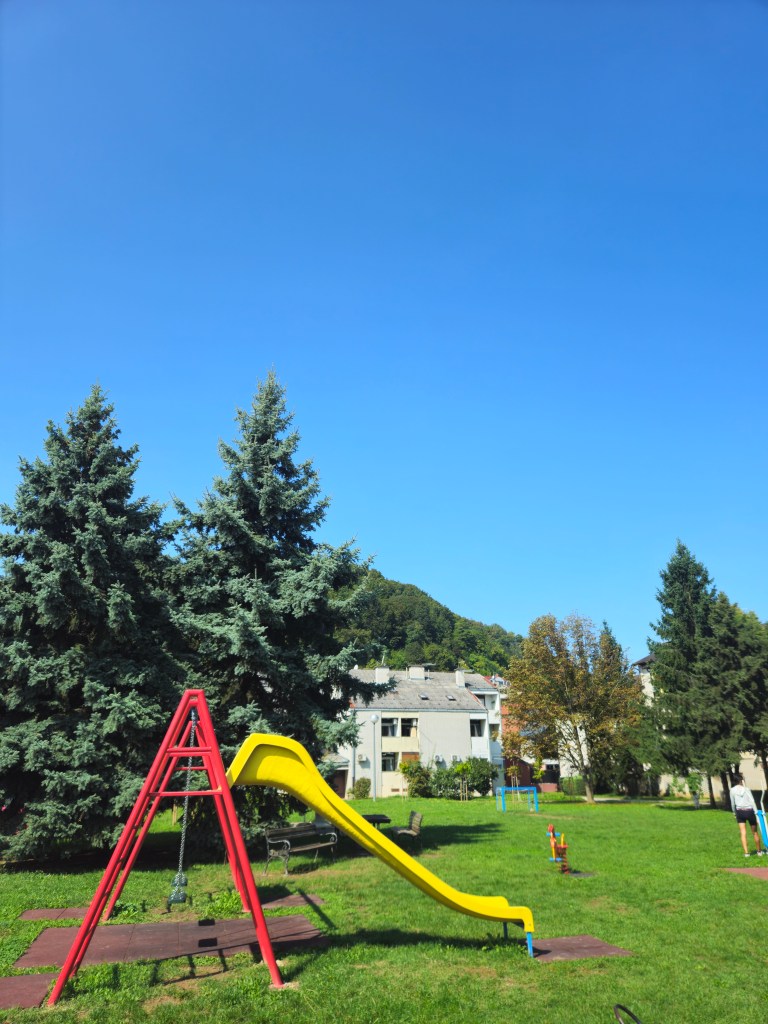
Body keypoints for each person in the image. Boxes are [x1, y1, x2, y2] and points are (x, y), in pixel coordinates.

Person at [729, 774, 765, 858]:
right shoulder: (746, 789)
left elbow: (732, 803)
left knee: (743, 833)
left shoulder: (732, 790)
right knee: (755, 832)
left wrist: (734, 812)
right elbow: (752, 801)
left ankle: (746, 853)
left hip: (740, 812)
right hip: (749, 811)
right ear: (741, 780)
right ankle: (759, 851)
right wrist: (756, 813)